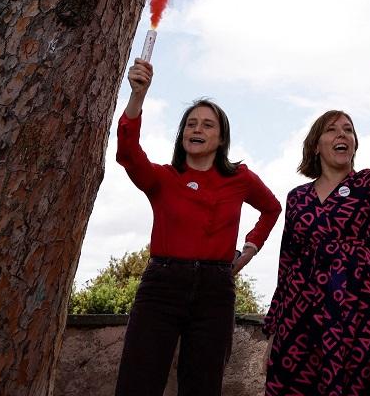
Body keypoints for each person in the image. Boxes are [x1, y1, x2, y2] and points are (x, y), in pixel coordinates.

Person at [114, 58, 281, 396]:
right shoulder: (163, 178)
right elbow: (128, 152)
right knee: (138, 381)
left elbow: (271, 208)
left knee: (202, 385)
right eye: (191, 124)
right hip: (161, 286)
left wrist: (249, 248)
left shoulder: (240, 178)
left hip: (215, 291)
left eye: (207, 125)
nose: (197, 130)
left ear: (221, 139)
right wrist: (137, 97)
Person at [262, 39, 370, 395]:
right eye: (332, 129)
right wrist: (276, 324)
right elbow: (287, 262)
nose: (342, 134)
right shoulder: (297, 198)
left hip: (358, 309)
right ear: (316, 144)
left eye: (348, 129)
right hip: (302, 314)